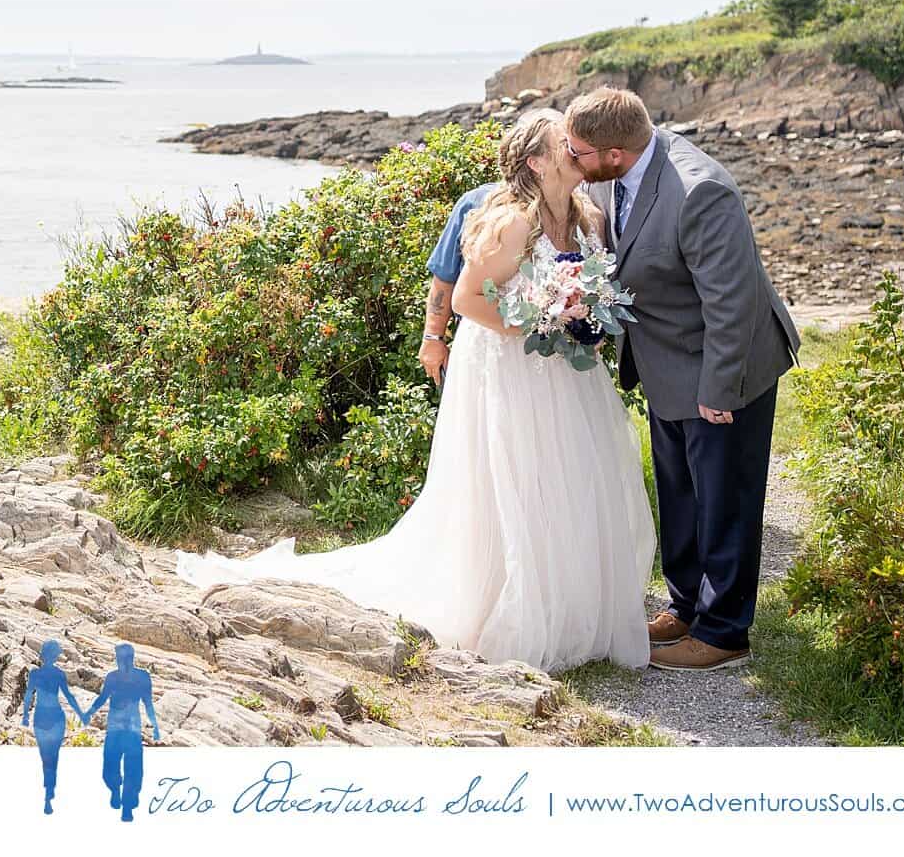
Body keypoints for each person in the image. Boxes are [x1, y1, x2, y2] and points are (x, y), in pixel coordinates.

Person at [177, 109, 655, 673]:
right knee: (514, 477)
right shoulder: (509, 222)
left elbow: (594, 284)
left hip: (569, 373)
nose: (578, 151)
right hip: (510, 366)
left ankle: (577, 606)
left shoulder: (589, 218)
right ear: (536, 161)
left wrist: (587, 318)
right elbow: (466, 301)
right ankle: (512, 602)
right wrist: (543, 322)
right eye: (565, 146)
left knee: (575, 473)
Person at [564, 87, 799, 672]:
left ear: (614, 153)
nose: (572, 160)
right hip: (667, 361)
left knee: (725, 497)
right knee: (680, 490)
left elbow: (733, 305)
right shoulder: (611, 174)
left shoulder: (700, 192)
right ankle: (687, 604)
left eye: (577, 152)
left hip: (724, 362)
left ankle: (724, 633)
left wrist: (719, 391)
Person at [418, 179, 502, 387]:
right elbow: (445, 276)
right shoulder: (475, 202)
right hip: (477, 344)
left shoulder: (564, 206)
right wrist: (432, 338)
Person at [81, 643, 160, 823]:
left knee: (133, 770)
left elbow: (148, 703)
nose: (120, 661)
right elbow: (102, 698)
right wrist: (89, 712)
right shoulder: (112, 677)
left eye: (122, 658)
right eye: (118, 658)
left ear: (131, 658)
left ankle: (127, 806)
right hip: (115, 729)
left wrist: (155, 726)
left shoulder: (142, 677)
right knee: (109, 769)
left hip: (131, 730)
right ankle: (116, 790)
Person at [21, 639, 88, 814]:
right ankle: (49, 790)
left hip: (42, 716)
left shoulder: (36, 674)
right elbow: (69, 696)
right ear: (54, 655)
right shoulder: (58, 674)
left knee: (46, 756)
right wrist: (81, 714)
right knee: (53, 756)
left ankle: (48, 790)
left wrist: (25, 715)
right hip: (55, 716)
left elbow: (29, 696)